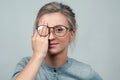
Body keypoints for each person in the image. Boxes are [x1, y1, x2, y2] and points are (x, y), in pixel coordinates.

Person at [12, 1, 102, 80]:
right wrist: (37, 55)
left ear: (72, 34)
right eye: (44, 29)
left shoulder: (85, 73)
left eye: (59, 29)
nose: (51, 37)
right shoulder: (25, 65)